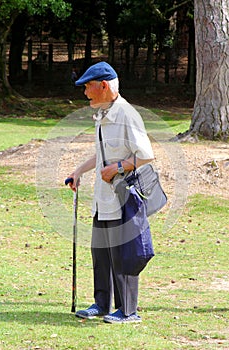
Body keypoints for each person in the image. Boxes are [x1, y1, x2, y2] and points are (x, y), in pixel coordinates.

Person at [67, 61, 154, 324]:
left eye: (88, 87)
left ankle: (128, 311)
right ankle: (101, 304)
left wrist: (117, 168)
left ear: (103, 86)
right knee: (101, 253)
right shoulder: (103, 114)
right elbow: (101, 152)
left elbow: (146, 156)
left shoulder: (126, 114)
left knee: (122, 254)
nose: (85, 93)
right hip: (102, 199)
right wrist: (79, 171)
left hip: (122, 198)